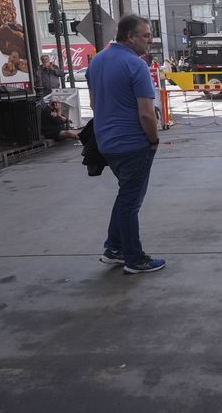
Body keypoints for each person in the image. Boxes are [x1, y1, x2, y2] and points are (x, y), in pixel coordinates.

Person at [87, 14, 164, 274]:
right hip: (133, 144)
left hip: (107, 142)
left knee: (125, 196)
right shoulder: (136, 65)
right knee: (131, 203)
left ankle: (114, 248)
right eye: (145, 35)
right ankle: (134, 258)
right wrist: (153, 140)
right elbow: (146, 113)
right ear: (129, 37)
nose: (149, 40)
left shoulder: (97, 60)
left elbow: (94, 104)